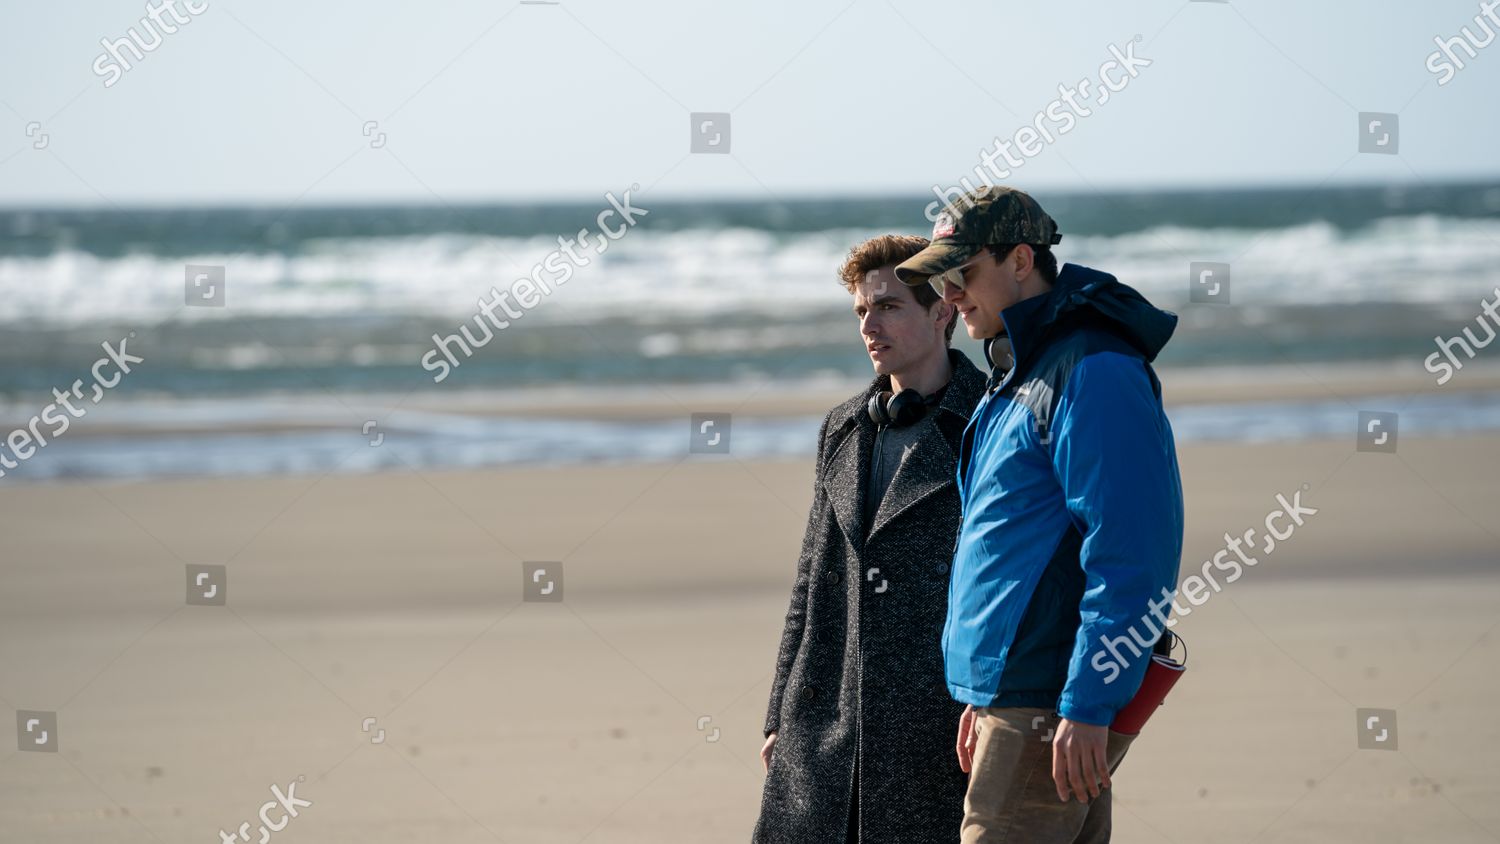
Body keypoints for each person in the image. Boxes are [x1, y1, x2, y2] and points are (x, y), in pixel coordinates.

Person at [893, 186, 1184, 843]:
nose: (950, 294)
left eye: (961, 272)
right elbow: (1005, 546)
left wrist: (1086, 702)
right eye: (939, 278)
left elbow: (1132, 552)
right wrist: (983, 693)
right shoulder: (1020, 372)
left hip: (1050, 700)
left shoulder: (1092, 368)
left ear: (1020, 260)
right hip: (1018, 696)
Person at [754, 234, 987, 843]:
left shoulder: (990, 420)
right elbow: (813, 576)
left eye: (887, 306)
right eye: (861, 309)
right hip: (827, 715)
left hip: (937, 720)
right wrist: (779, 712)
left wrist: (998, 702)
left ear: (941, 311)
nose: (869, 324)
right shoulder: (842, 426)